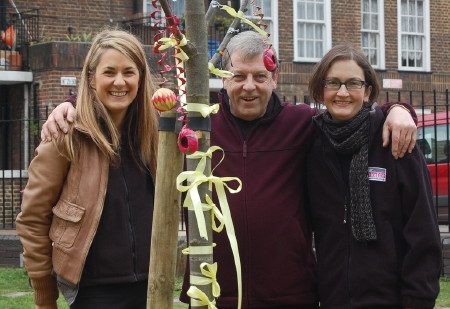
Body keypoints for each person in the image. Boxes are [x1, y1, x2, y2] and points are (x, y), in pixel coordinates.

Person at [40, 31, 417, 309]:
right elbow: (126, 104)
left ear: (275, 78)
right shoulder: (193, 124)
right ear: (224, 76)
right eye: (238, 76)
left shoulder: (302, 125)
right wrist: (73, 103)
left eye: (259, 76)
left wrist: (398, 110)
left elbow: (348, 113)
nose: (248, 86)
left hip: (290, 295)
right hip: (209, 293)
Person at [15, 29, 159, 309]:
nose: (120, 82)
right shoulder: (66, 134)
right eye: (109, 72)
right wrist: (44, 294)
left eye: (129, 72)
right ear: (91, 79)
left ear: (141, 79)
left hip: (152, 283)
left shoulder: (154, 134)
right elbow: (32, 217)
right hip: (94, 290)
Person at [306, 45, 441, 309]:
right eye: (333, 82)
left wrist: (419, 299)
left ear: (367, 91)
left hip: (392, 300)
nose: (342, 92)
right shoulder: (311, 145)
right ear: (321, 89)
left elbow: (423, 230)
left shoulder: (396, 142)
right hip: (332, 299)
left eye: (353, 83)